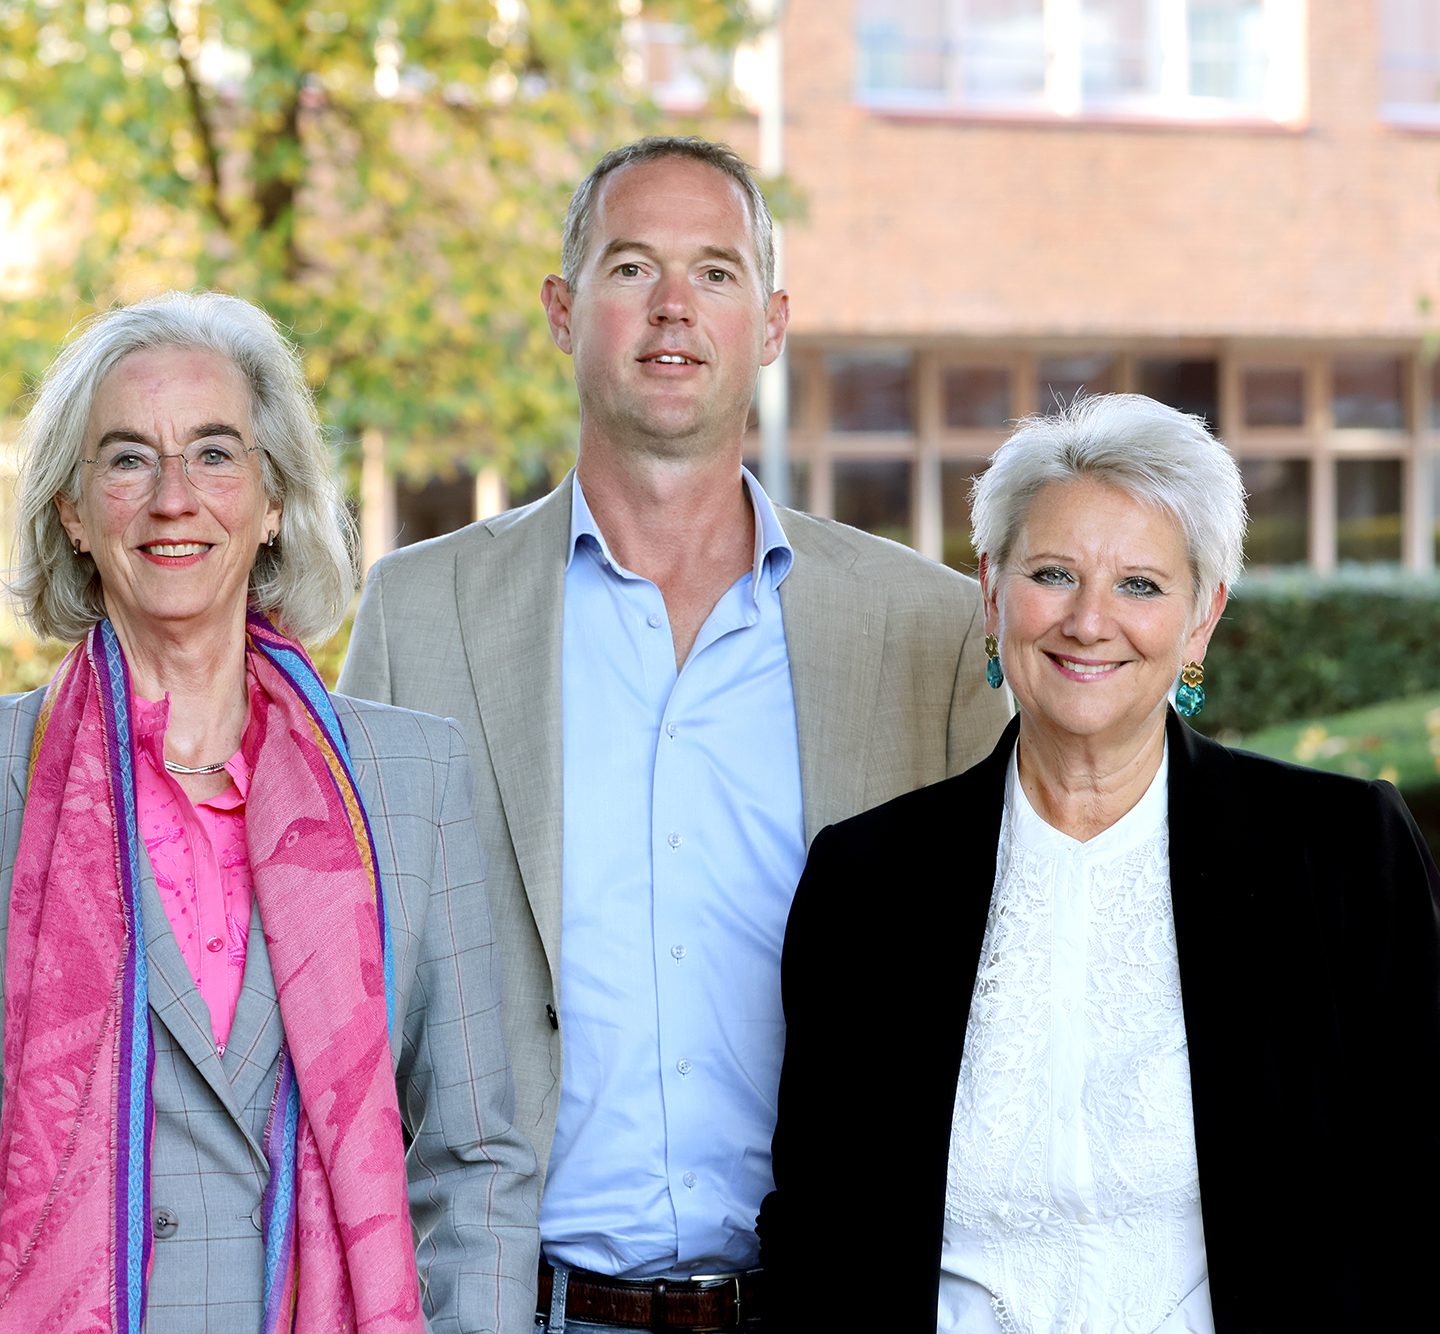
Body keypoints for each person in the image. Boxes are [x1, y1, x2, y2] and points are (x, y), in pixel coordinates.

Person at [338, 137, 1010, 1331]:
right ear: (561, 310)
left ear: (770, 323)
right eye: (629, 266)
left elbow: (999, 986)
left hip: (825, 1306)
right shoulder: (420, 613)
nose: (671, 307)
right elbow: (349, 987)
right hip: (518, 1304)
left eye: (713, 271)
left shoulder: (924, 628)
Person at [0, 291, 539, 1334]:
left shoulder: (411, 780)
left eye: (215, 454)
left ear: (273, 501)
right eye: (128, 458)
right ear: (72, 511)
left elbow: (477, 1160)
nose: (173, 497)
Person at [759, 393, 1440, 1332]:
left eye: (1141, 585)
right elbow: (816, 1228)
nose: (1089, 621)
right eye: (1053, 574)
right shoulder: (867, 879)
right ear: (991, 592)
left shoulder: (1342, 853)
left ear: (1202, 618)